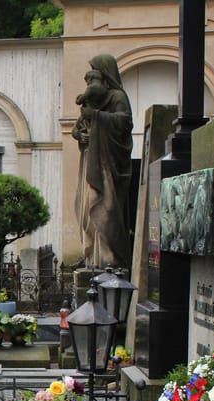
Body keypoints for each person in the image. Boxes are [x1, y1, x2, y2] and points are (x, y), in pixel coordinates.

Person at [71, 54, 134, 270]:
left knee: (104, 208)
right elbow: (77, 126)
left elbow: (125, 122)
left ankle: (109, 258)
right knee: (86, 205)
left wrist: (96, 116)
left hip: (108, 163)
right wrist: (81, 136)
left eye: (96, 74)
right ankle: (91, 257)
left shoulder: (117, 96)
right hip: (91, 159)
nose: (91, 82)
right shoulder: (93, 99)